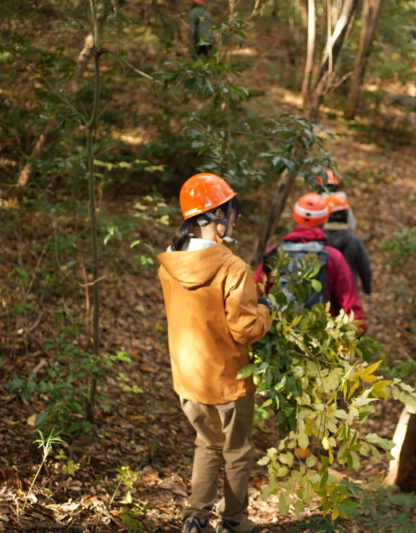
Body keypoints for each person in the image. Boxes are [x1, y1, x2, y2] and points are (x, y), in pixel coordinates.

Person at [157, 173, 272, 533]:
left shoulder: (170, 263)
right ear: (217, 215)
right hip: (228, 378)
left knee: (206, 444)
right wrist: (266, 310)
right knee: (236, 452)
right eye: (232, 213)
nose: (235, 220)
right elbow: (245, 328)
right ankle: (233, 521)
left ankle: (195, 516)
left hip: (189, 377)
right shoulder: (232, 267)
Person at [254, 193, 366, 332]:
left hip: (280, 338)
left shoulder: (275, 252)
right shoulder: (333, 257)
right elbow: (348, 301)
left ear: (295, 217)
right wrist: (356, 331)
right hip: (321, 340)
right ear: (324, 219)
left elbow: (255, 293)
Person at [324, 194, 372, 296]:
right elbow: (364, 265)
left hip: (324, 293)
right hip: (348, 292)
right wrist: (367, 287)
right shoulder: (354, 241)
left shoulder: (319, 240)